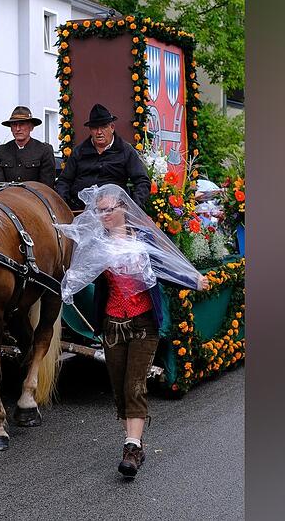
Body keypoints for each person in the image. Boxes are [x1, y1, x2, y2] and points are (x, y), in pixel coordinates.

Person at [55, 184, 209, 479]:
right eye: (100, 211)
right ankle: (134, 441)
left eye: (109, 209)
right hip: (112, 325)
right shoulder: (98, 244)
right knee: (119, 389)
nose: (104, 215)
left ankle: (132, 447)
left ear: (123, 209)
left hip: (143, 324)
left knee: (134, 386)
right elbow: (79, 269)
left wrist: (192, 280)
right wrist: (67, 287)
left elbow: (165, 267)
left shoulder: (143, 239)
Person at [54, 103, 151, 211]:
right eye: (95, 128)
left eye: (104, 127)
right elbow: (64, 181)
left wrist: (131, 208)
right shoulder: (79, 151)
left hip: (114, 213)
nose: (99, 132)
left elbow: (142, 181)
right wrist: (63, 207)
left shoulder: (125, 150)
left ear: (112, 127)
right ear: (90, 130)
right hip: (79, 210)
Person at [0, 106, 55, 188]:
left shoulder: (44, 150)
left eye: (22, 124)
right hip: (7, 198)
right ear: (11, 128)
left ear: (31, 127)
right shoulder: (1, 151)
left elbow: (47, 187)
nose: (18, 129)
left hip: (35, 198)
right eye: (14, 125)